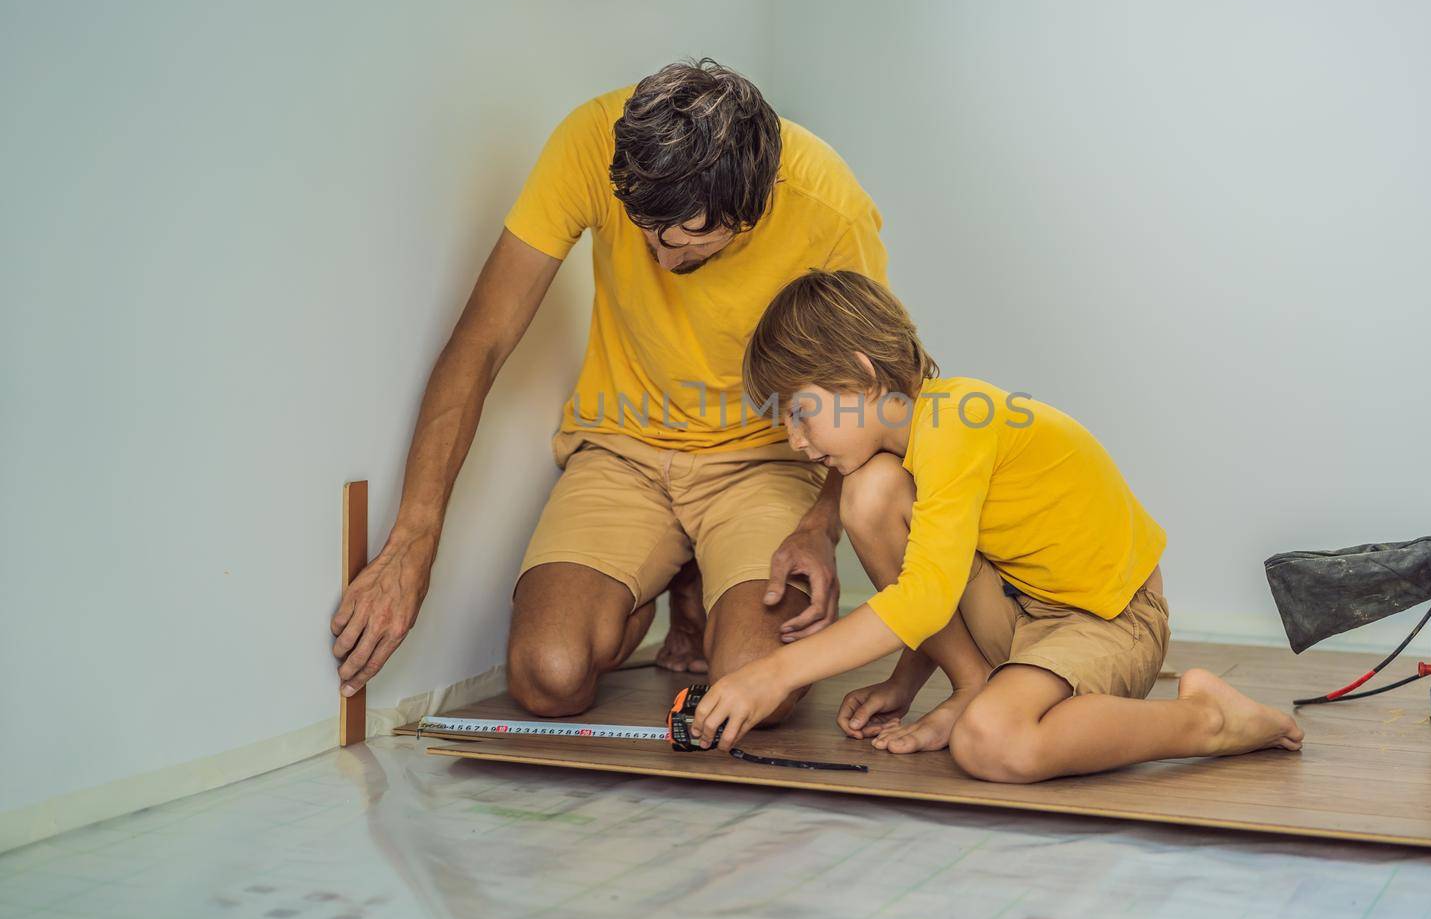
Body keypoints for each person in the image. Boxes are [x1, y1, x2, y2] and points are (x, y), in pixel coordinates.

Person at [330, 62, 887, 722]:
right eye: (648, 236)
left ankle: (704, 590)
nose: (663, 263)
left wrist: (822, 525)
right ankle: (663, 583)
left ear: (750, 211)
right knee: (547, 676)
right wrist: (412, 541)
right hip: (624, 452)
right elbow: (481, 340)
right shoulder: (593, 141)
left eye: (688, 247)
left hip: (763, 463)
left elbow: (869, 398)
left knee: (751, 685)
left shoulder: (832, 208)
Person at [688, 270, 1303, 781]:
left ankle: (1209, 718)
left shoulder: (956, 422)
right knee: (869, 495)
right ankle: (973, 685)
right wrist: (907, 682)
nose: (796, 441)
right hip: (1021, 609)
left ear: (860, 374)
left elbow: (927, 595)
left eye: (800, 413)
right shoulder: (910, 448)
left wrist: (774, 673)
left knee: (992, 744)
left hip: (1106, 621)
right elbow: (941, 567)